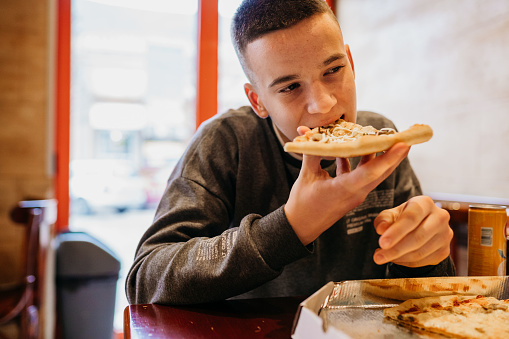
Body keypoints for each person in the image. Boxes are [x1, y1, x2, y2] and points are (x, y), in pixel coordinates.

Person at [126, 0, 455, 305]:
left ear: (351, 63)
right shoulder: (225, 142)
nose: (323, 104)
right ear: (258, 101)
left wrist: (428, 255)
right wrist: (291, 226)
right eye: (290, 87)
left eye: (333, 71)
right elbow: (144, 280)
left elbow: (420, 296)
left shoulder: (380, 139)